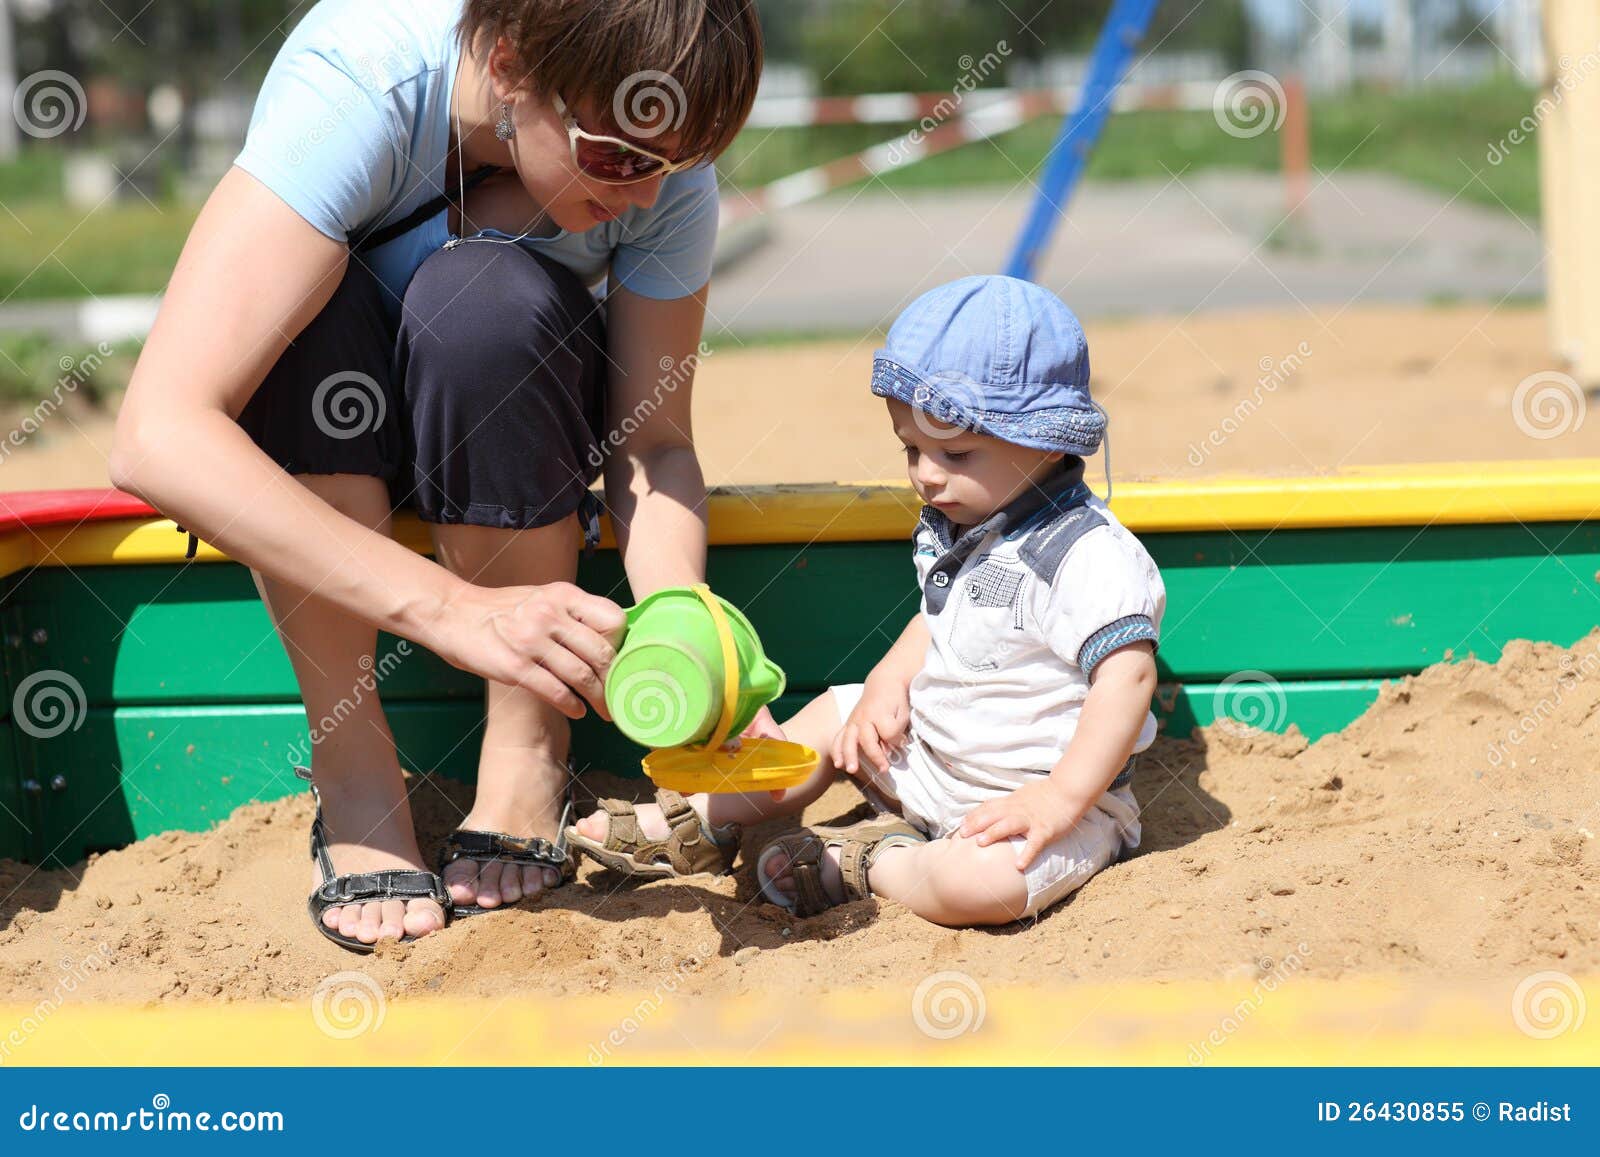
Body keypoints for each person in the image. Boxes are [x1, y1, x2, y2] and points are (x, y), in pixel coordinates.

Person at [108, 0, 767, 952]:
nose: (648, 199)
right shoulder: (360, 81)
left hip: (503, 432)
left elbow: (653, 444)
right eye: (620, 158)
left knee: (486, 305)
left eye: (676, 165)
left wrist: (687, 622)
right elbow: (156, 433)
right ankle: (357, 768)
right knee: (303, 319)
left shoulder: (657, 152)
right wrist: (456, 611)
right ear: (508, 67)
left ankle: (526, 744)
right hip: (330, 440)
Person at [569, 275, 1164, 926]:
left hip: (1036, 799)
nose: (925, 473)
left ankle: (870, 858)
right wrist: (888, 679)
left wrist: (1059, 796)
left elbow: (1127, 676)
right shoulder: (963, 521)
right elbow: (941, 618)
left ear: (1049, 438)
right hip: (931, 761)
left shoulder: (1088, 555)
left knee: (981, 886)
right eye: (911, 448)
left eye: (955, 451)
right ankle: (700, 820)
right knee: (835, 711)